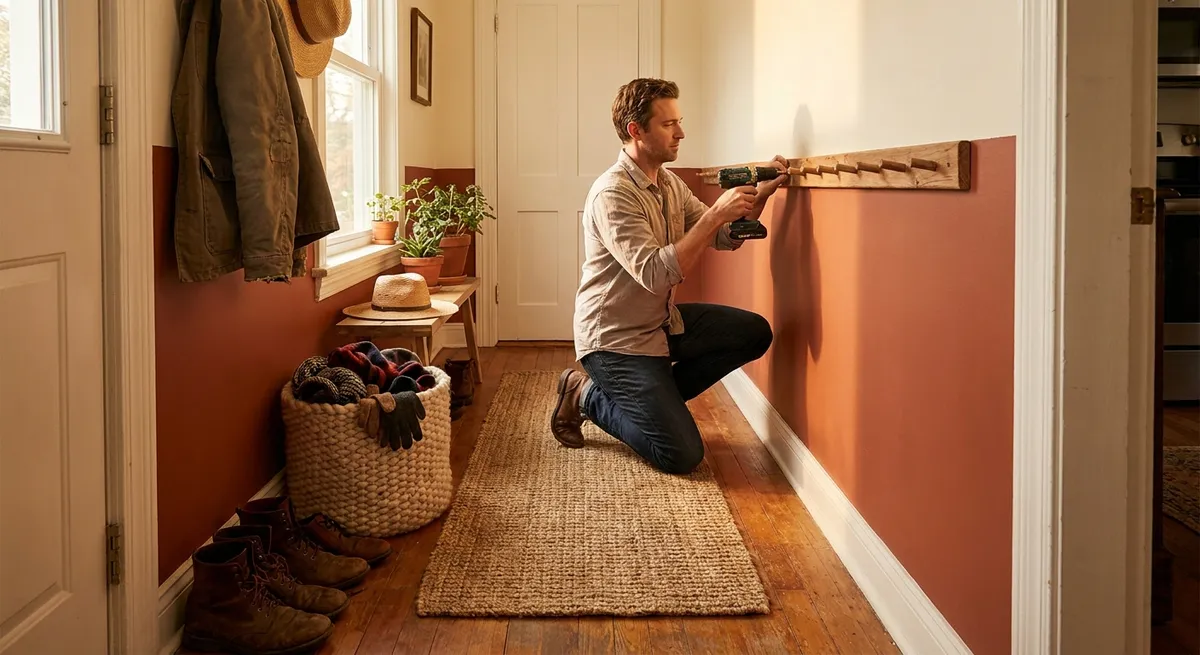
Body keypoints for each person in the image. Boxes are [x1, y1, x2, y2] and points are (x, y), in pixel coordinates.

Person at [549, 77, 788, 475]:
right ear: (636, 130)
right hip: (614, 340)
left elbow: (725, 236)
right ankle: (585, 393)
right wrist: (714, 214)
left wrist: (758, 198)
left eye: (680, 121)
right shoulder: (613, 193)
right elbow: (656, 274)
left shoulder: (669, 183)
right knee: (681, 454)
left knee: (754, 332)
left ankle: (654, 405)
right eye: (668, 124)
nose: (681, 133)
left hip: (660, 324)